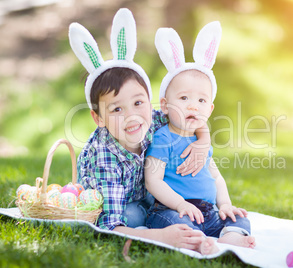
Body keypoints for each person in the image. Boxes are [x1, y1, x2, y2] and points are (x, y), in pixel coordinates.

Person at [69, 8, 210, 250]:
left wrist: (203, 141)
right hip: (118, 202)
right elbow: (108, 226)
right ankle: (152, 226)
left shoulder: (153, 119)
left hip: (145, 192)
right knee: (134, 216)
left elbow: (191, 117)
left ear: (150, 100)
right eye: (116, 110)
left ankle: (156, 216)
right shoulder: (105, 157)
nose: (132, 117)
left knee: (161, 201)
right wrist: (163, 237)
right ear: (98, 118)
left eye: (137, 103)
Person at [145, 21, 256, 255]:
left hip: (208, 212)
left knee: (239, 218)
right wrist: (180, 204)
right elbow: (153, 180)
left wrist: (224, 204)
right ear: (164, 105)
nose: (193, 106)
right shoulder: (164, 138)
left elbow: (216, 176)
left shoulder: (201, 141)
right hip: (172, 209)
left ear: (210, 108)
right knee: (177, 224)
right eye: (184, 98)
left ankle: (230, 237)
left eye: (201, 101)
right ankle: (196, 241)